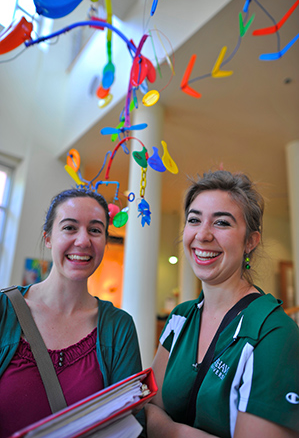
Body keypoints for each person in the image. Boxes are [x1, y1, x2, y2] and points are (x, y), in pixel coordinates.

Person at [146, 170, 299, 438]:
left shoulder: (273, 332)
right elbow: (150, 405)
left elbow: (154, 418)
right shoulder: (181, 318)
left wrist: (168, 430)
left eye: (222, 223)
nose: (202, 235)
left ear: (250, 241)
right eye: (194, 220)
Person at [0, 188, 145, 438]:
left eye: (95, 230)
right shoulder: (3, 311)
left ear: (105, 241)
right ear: (48, 238)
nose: (83, 241)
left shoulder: (119, 327)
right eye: (69, 227)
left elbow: (130, 425)